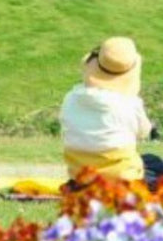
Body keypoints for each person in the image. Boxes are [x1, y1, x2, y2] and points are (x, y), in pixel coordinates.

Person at [60, 36, 155, 182]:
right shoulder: (129, 103)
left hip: (80, 175)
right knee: (159, 165)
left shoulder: (71, 98)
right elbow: (144, 132)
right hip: (120, 177)